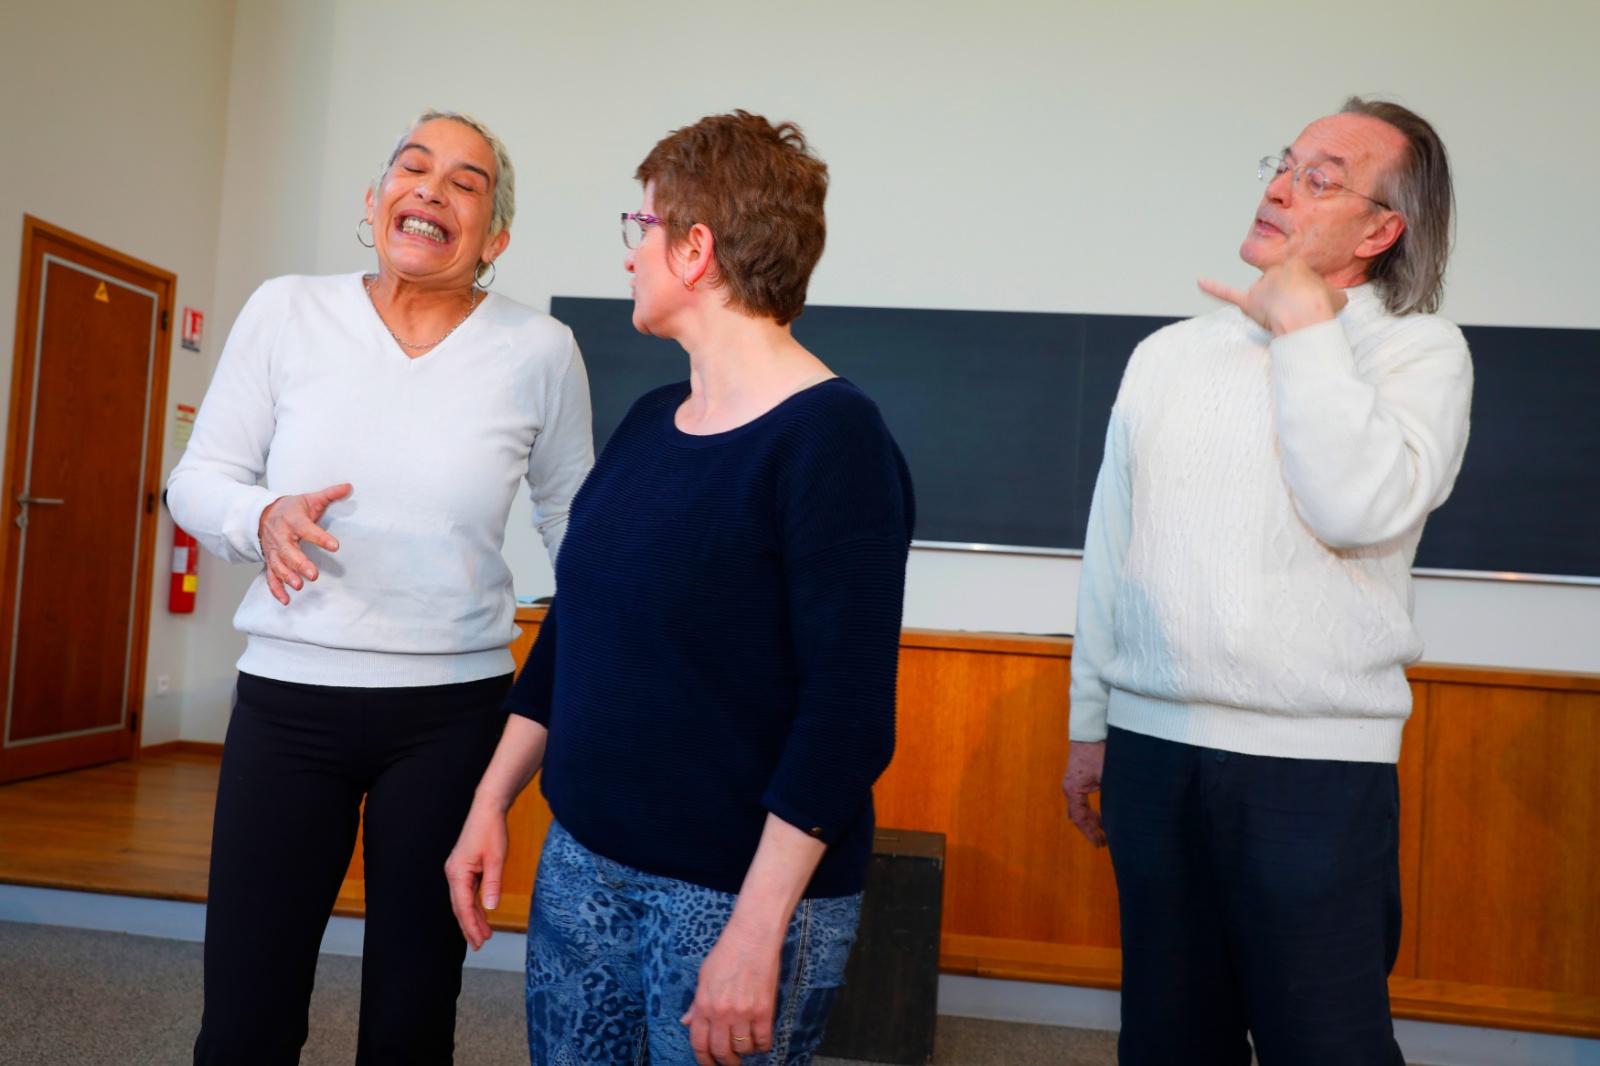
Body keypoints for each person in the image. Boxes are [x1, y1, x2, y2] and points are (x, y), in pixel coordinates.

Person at [444, 111, 914, 1066]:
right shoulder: (652, 420)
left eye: (642, 227)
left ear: (696, 250)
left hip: (732, 898)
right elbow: (577, 625)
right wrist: (492, 798)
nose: (631, 255)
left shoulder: (834, 441)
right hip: (582, 865)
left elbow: (847, 718)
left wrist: (754, 933)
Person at [166, 110, 593, 1065]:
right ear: (375, 202)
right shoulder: (287, 310)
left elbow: (579, 531)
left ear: (495, 239)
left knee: (410, 1020)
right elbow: (196, 482)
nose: (433, 188)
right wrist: (263, 516)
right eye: (414, 166)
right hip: (288, 706)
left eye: (466, 182)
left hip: (452, 719)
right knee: (243, 1017)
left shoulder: (541, 351)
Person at [1060, 97, 1472, 1065]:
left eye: (1321, 175)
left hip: (1315, 773)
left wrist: (1302, 329)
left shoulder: (1418, 353)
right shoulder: (1165, 356)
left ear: (1380, 229)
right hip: (1153, 752)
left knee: (1325, 1046)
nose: (1280, 185)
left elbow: (1352, 505)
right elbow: (1110, 549)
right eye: (1283, 161)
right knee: (1167, 1044)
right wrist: (1090, 721)